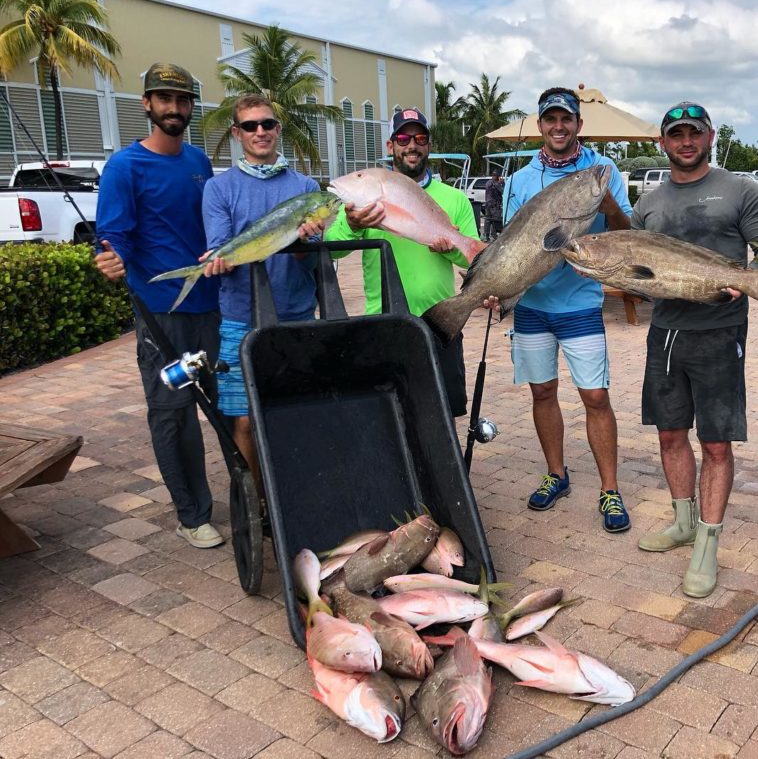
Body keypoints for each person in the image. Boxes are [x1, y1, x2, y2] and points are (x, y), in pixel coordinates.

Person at [632, 102, 758, 597]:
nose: (686, 141)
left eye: (694, 133)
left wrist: (752, 280)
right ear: (663, 142)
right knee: (670, 435)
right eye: (676, 134)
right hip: (666, 333)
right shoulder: (648, 204)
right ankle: (683, 522)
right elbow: (637, 272)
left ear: (710, 135)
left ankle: (708, 542)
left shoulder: (741, 190)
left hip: (720, 332)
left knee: (716, 443)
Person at [94, 63, 224, 549]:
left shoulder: (198, 163)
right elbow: (115, 236)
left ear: (191, 106)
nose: (174, 108)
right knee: (173, 414)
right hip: (161, 319)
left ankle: (251, 492)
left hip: (212, 310)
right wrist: (109, 259)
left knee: (230, 408)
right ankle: (192, 515)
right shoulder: (124, 167)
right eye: (164, 99)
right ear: (146, 104)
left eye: (182, 99)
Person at [501, 87, 633, 533]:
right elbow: (510, 242)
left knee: (595, 397)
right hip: (532, 305)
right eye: (550, 119)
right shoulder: (519, 180)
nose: (559, 126)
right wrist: (499, 285)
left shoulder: (603, 170)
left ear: (578, 125)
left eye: (567, 119)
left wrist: (608, 202)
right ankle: (556, 474)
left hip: (579, 303)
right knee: (542, 392)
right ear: (540, 125)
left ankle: (611, 490)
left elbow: (626, 230)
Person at [200, 94, 326, 493]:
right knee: (244, 419)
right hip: (240, 317)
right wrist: (220, 258)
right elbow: (221, 244)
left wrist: (307, 243)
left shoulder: (305, 187)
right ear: (237, 133)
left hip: (297, 315)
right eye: (250, 126)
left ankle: (299, 492)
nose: (260, 132)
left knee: (299, 412)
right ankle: (260, 501)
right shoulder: (218, 188)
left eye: (267, 124)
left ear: (278, 129)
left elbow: (314, 262)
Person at [325, 108, 474, 417]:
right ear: (390, 145)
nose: (412, 145)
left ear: (428, 145)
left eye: (420, 138)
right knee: (391, 411)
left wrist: (447, 248)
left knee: (442, 411)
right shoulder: (360, 202)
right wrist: (352, 225)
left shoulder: (454, 198)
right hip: (384, 320)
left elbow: (470, 256)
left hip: (441, 320)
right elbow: (333, 251)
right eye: (403, 138)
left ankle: (443, 466)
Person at [483, 170, 504, 241]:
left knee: (488, 220)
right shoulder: (497, 184)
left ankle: (486, 236)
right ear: (498, 177)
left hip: (488, 204)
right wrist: (502, 183)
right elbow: (503, 191)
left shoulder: (488, 182)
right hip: (495, 205)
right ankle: (494, 235)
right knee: (495, 220)